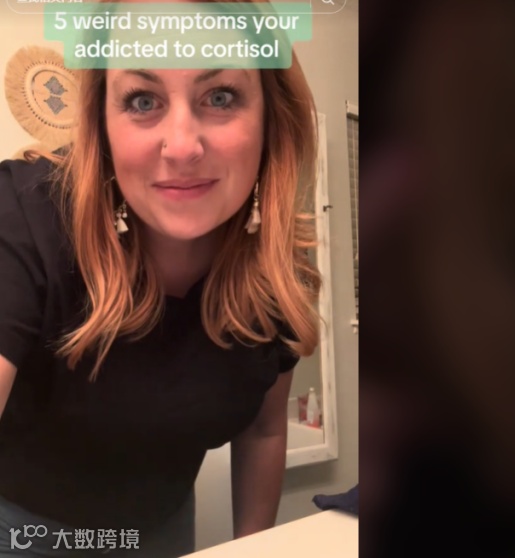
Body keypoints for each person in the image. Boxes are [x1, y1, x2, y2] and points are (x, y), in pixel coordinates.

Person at [0, 1, 322, 555]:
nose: (182, 147)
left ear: (273, 119)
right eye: (143, 101)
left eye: (220, 97)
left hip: (162, 526)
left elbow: (265, 430)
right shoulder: (23, 217)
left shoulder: (277, 270)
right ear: (101, 125)